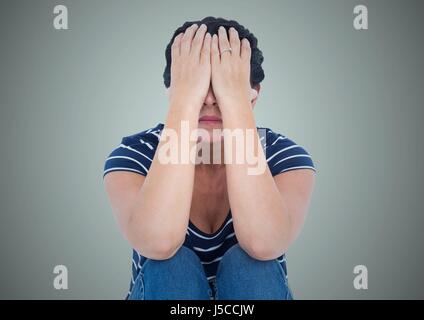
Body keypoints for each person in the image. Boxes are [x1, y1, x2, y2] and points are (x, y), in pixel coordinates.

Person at [103, 16, 316, 300]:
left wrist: (235, 103)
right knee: (172, 267)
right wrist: (185, 102)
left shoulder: (285, 157)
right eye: (199, 85)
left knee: (253, 268)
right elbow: (158, 243)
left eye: (223, 85)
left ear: (253, 97)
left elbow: (264, 244)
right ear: (173, 92)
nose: (210, 100)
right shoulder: (134, 154)